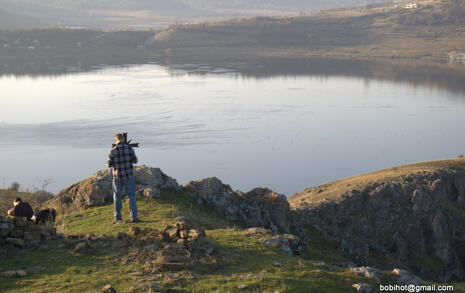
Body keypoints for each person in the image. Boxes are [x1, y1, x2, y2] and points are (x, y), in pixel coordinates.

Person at [107, 133, 139, 223]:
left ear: (116, 140)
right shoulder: (130, 149)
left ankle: (118, 217)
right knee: (131, 196)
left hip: (117, 177)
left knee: (117, 196)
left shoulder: (112, 151)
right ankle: (134, 217)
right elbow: (135, 161)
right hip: (129, 175)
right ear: (123, 139)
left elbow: (109, 164)